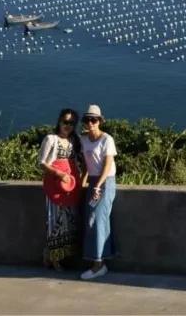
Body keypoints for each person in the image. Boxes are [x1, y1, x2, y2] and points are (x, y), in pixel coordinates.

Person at [38, 108, 83, 270]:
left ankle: (61, 257)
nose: (68, 125)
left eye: (72, 123)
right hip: (55, 186)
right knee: (54, 222)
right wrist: (59, 173)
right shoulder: (51, 139)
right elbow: (42, 162)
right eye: (65, 121)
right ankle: (53, 259)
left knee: (69, 223)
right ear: (59, 121)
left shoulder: (75, 140)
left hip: (70, 186)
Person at [79, 104, 116, 280]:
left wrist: (98, 185)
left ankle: (99, 265)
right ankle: (99, 261)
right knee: (91, 220)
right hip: (93, 182)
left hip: (105, 182)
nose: (90, 123)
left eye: (94, 120)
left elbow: (108, 165)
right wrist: (83, 181)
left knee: (98, 220)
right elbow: (87, 163)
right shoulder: (83, 139)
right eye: (88, 120)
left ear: (100, 121)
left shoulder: (107, 139)